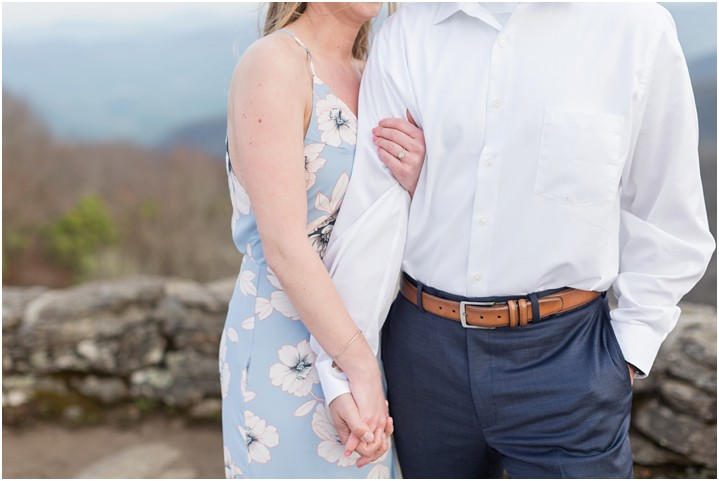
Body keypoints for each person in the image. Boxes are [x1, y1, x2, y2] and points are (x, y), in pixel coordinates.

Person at [315, 2, 716, 478]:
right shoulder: (409, 31)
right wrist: (342, 369)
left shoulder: (635, 27)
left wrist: (624, 355)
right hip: (422, 358)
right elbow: (371, 217)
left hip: (567, 360)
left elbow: (668, 218)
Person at [219, 2, 425, 478]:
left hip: (369, 331)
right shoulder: (276, 63)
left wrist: (418, 182)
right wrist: (360, 369)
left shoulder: (378, 73)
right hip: (285, 345)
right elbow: (286, 248)